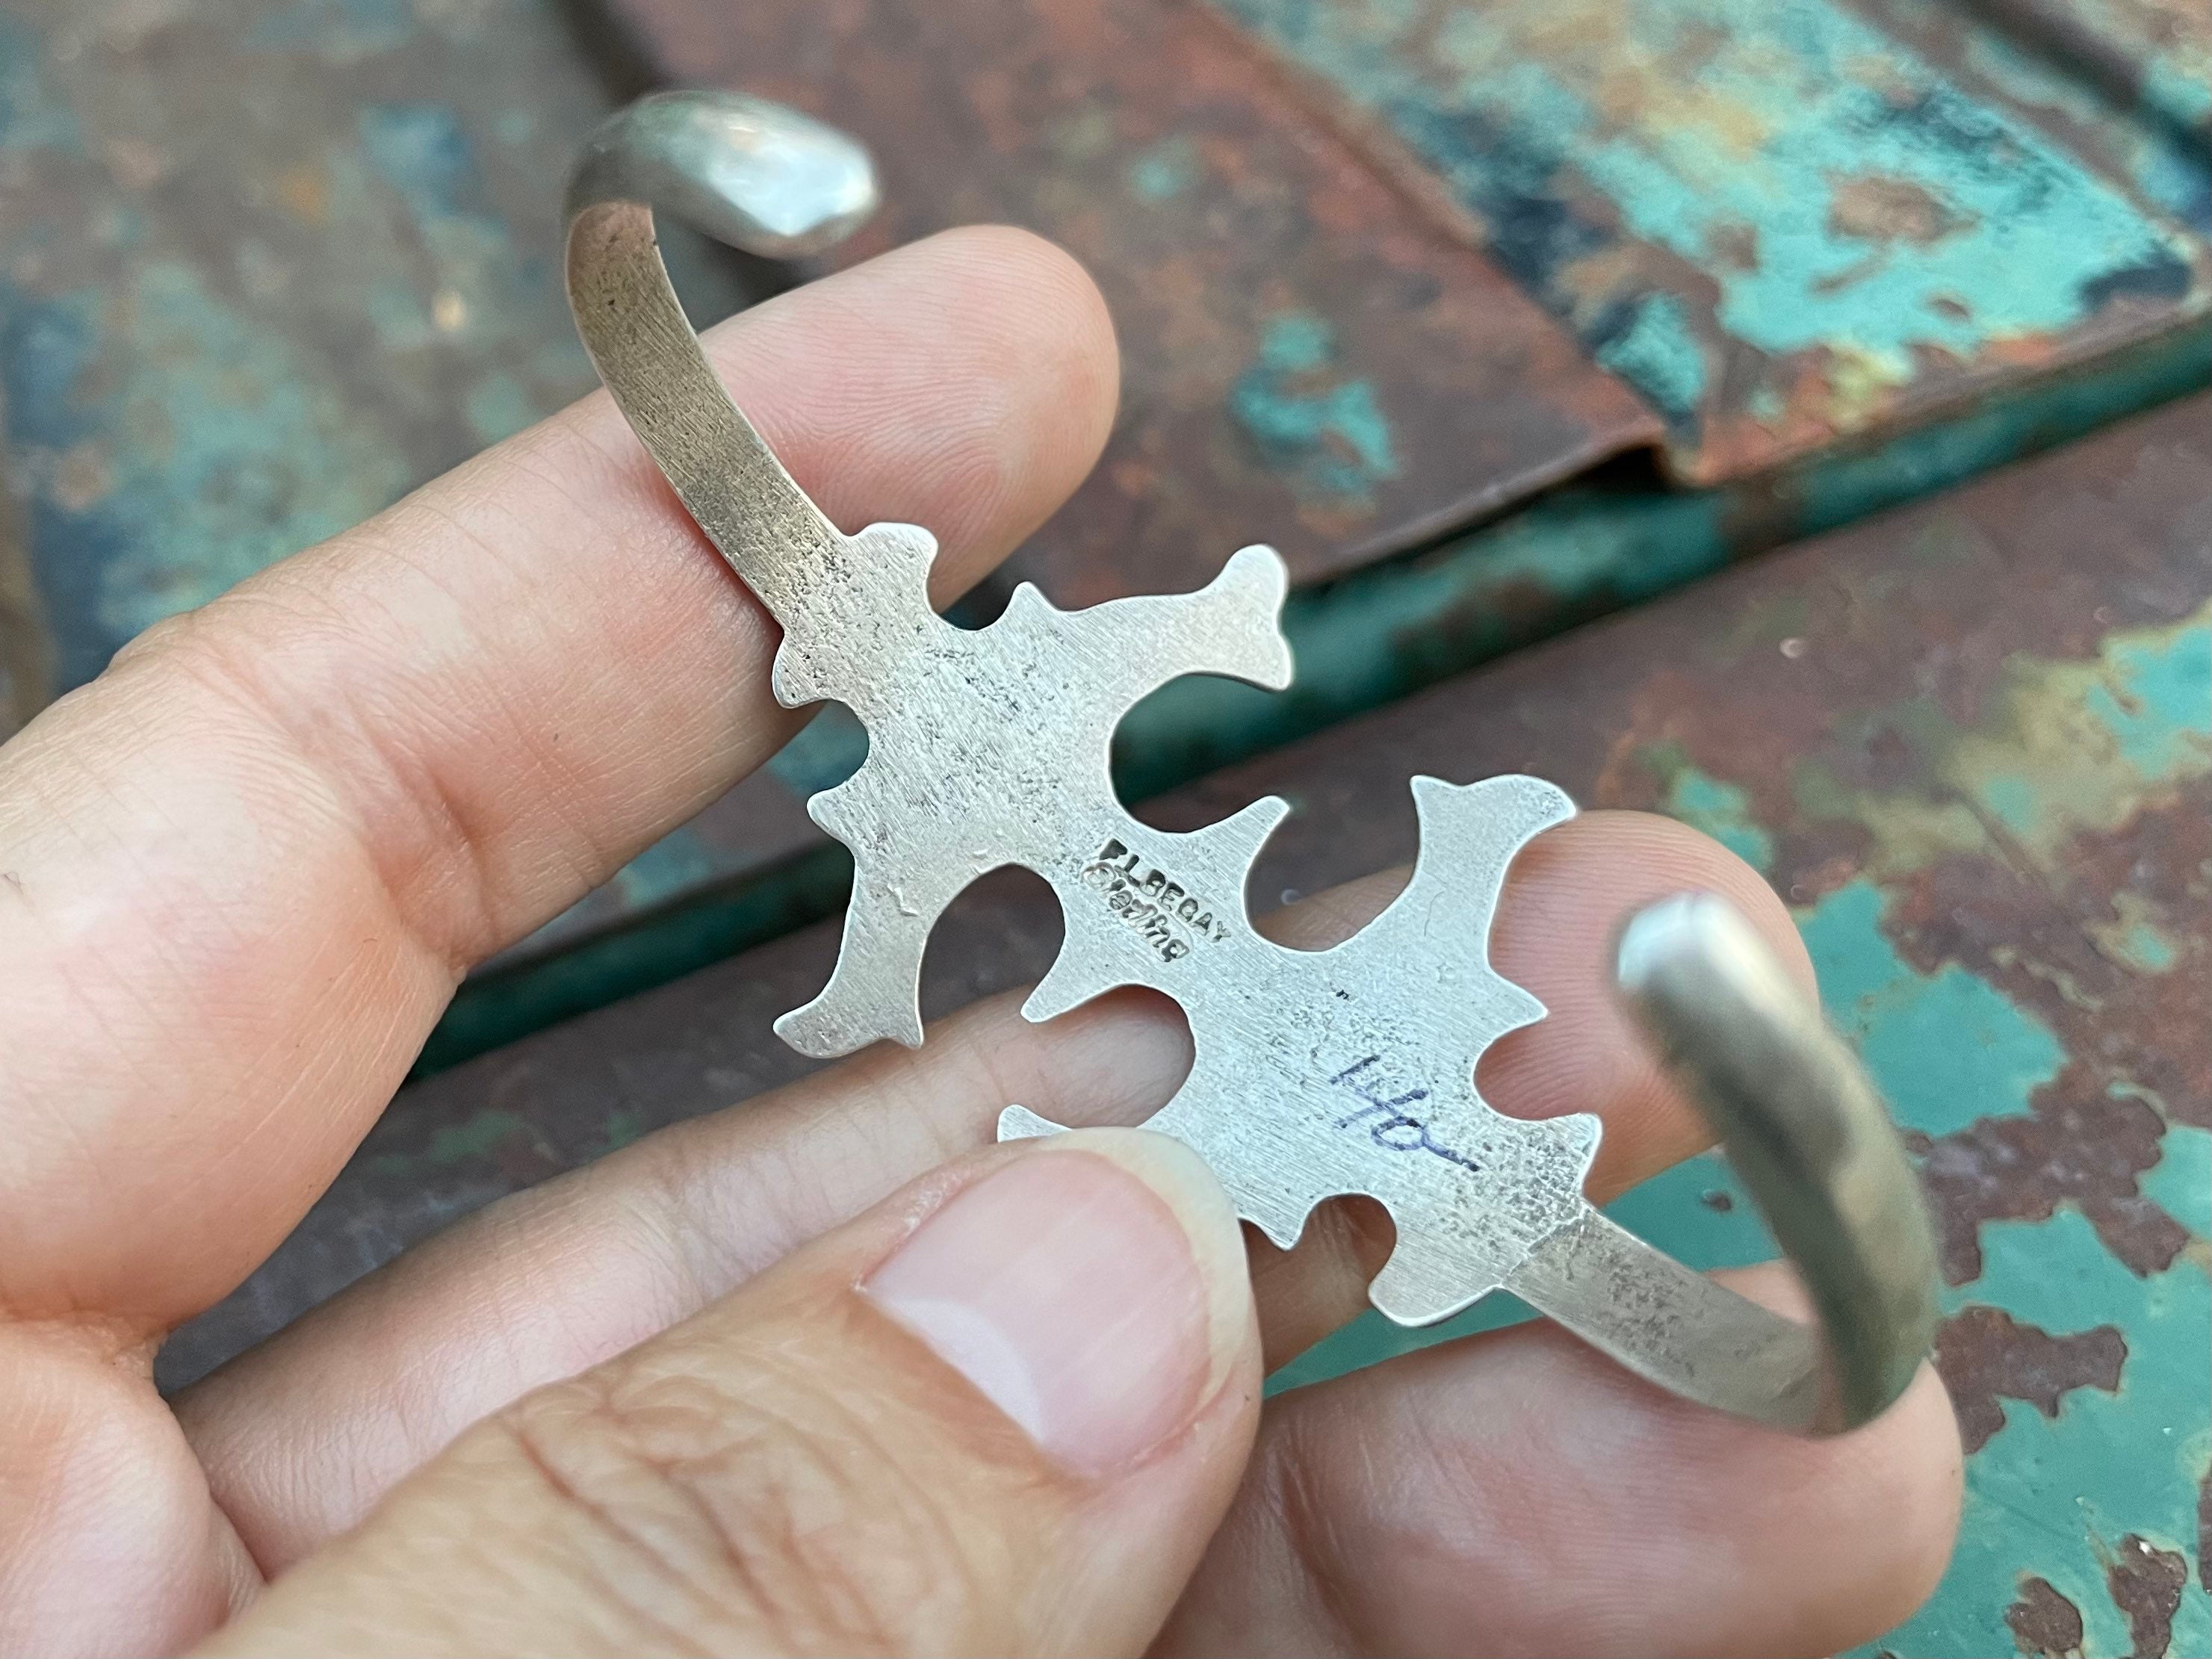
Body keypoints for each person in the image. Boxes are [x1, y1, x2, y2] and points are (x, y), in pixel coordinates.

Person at [0, 228, 1961, 1657]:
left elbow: (1158, 667)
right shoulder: (928, 782)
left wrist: (1214, 635)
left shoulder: (1019, 693)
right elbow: (895, 934)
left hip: (1334, 1045)